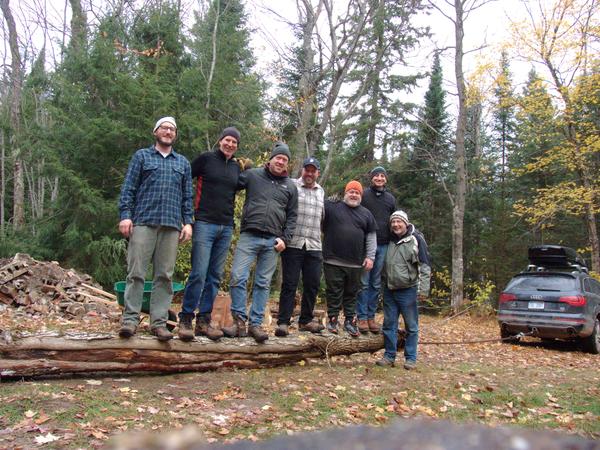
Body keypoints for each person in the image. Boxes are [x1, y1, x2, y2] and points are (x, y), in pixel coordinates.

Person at [118, 116, 193, 341]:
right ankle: (130, 321)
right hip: (143, 222)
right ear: (156, 132)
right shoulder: (142, 156)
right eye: (164, 128)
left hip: (171, 225)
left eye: (172, 129)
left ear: (175, 135)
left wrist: (188, 222)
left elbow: (187, 196)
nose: (168, 132)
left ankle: (158, 323)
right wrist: (125, 216)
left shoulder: (183, 163)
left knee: (164, 276)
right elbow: (129, 188)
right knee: (136, 273)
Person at [223, 142, 298, 343]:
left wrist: (285, 239)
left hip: (273, 240)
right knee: (238, 277)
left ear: (287, 164)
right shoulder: (253, 175)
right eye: (278, 158)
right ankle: (239, 322)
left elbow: (292, 216)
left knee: (263, 283)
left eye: (284, 160)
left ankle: (255, 324)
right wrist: (234, 165)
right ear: (271, 159)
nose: (280, 161)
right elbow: (230, 184)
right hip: (249, 234)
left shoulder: (290, 186)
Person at [178, 127, 247, 342]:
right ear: (220, 141)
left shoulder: (237, 168)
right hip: (204, 223)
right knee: (198, 272)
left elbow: (246, 184)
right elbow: (184, 179)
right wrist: (186, 216)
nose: (230, 145)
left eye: (234, 142)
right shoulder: (206, 159)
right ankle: (186, 318)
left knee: (214, 276)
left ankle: (204, 321)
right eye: (227, 140)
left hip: (226, 227)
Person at [275, 157, 325, 337]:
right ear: (302, 170)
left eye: (313, 170)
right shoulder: (292, 185)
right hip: (293, 243)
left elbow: (323, 218)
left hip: (314, 245)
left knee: (312, 284)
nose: (309, 173)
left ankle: (305, 321)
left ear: (317, 173)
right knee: (290, 284)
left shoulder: (321, 191)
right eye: (307, 170)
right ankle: (283, 322)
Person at [376, 210, 431, 370]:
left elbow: (425, 266)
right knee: (389, 324)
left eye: (399, 222)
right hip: (389, 289)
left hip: (408, 290)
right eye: (393, 222)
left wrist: (423, 290)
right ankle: (389, 356)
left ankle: (411, 358)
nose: (396, 225)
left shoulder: (416, 239)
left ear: (406, 223)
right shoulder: (388, 241)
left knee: (411, 326)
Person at [322, 181, 376, 336]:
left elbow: (371, 237)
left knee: (352, 293)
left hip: (355, 262)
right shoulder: (332, 206)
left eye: (357, 193)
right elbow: (319, 221)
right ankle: (332, 320)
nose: (354, 195)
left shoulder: (366, 214)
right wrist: (327, 201)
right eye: (351, 191)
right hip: (332, 259)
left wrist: (370, 257)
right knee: (333, 291)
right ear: (345, 193)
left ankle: (350, 322)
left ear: (361, 196)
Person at [356, 166, 396, 334]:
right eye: (376, 176)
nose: (379, 178)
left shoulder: (390, 199)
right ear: (371, 178)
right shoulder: (364, 195)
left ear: (385, 179)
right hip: (366, 245)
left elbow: (394, 220)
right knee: (364, 282)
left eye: (382, 176)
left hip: (384, 244)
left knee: (376, 283)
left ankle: (371, 317)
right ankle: (361, 317)